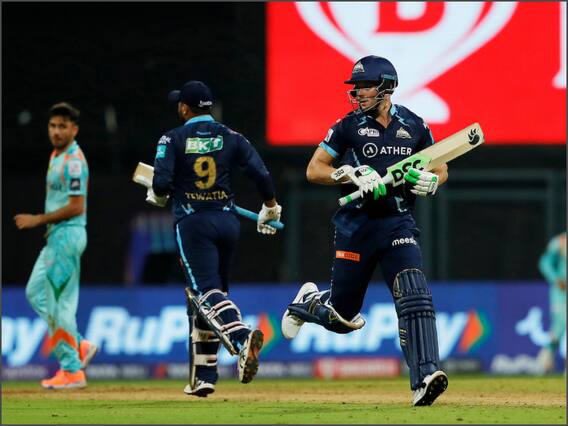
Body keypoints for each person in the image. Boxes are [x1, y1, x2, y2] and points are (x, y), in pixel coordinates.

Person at [281, 56, 449, 406]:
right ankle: (308, 303)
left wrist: (433, 180)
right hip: (356, 226)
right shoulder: (347, 126)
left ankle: (425, 376)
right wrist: (348, 173)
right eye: (355, 88)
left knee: (414, 292)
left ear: (386, 88)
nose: (357, 93)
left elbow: (440, 165)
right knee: (342, 317)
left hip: (398, 223)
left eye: (364, 86)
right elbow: (314, 169)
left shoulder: (414, 125)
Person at [151, 80, 282, 397]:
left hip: (194, 223)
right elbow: (261, 173)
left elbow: (160, 186)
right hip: (227, 222)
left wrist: (159, 190)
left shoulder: (172, 138)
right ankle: (203, 377)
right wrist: (270, 207)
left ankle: (241, 339)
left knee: (204, 292)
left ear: (184, 108)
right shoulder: (231, 136)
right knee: (209, 297)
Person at [14, 102, 98, 389]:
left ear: (74, 129)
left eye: (63, 126)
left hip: (67, 236)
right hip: (57, 236)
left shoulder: (73, 161)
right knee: (34, 292)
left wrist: (39, 220)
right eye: (53, 126)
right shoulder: (56, 155)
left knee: (59, 306)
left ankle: (72, 370)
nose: (56, 131)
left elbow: (76, 206)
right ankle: (79, 345)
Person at [537, 232, 566, 373]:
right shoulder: (561, 241)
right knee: (560, 326)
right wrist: (556, 279)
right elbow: (545, 262)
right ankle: (545, 359)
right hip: (562, 293)